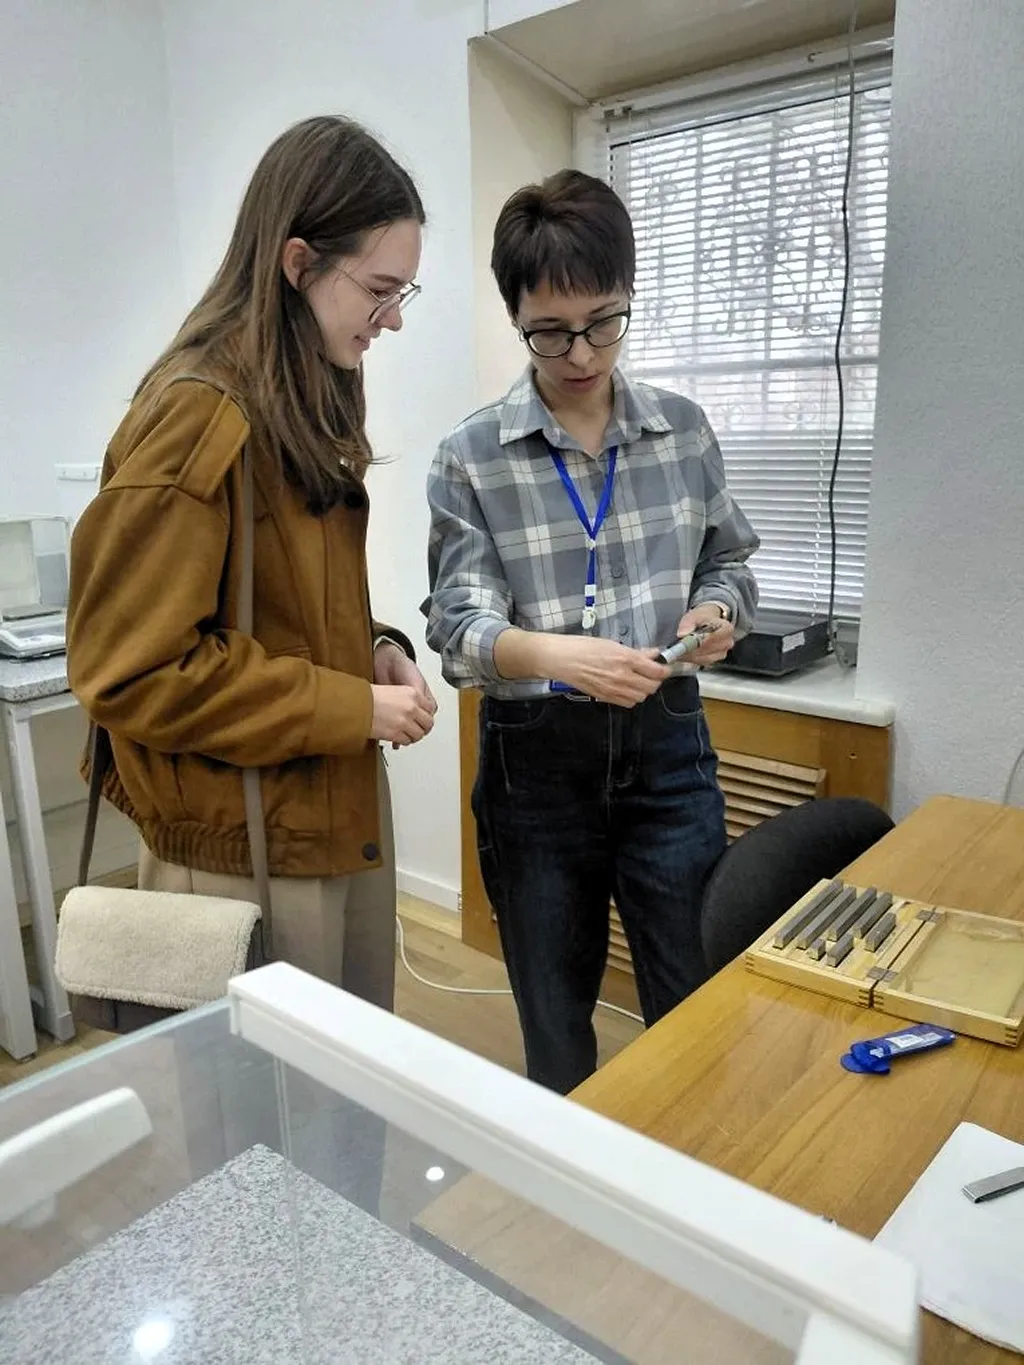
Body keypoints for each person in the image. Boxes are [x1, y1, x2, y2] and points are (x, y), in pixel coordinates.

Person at [67, 115, 437, 1011]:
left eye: (404, 293)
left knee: (342, 1085)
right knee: (272, 1099)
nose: (393, 318)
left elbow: (281, 602)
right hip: (245, 850)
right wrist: (354, 705)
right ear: (298, 263)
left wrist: (375, 649)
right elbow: (130, 669)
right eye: (379, 290)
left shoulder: (294, 398)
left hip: (319, 814)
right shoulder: (200, 414)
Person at [424, 169, 759, 1094]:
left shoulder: (682, 432)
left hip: (669, 752)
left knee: (693, 1008)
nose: (580, 353)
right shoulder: (471, 456)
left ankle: (684, 1169)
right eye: (550, 331)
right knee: (555, 1021)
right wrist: (553, 654)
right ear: (514, 316)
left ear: (627, 296)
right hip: (536, 764)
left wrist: (717, 611)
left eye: (603, 322)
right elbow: (455, 626)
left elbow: (731, 563)